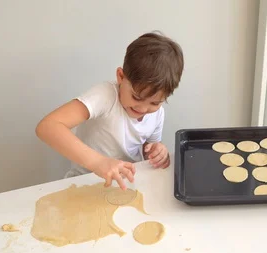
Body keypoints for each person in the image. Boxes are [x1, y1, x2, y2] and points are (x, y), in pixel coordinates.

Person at [35, 32, 184, 190]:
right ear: (121, 76)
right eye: (136, 97)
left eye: (154, 103)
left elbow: (148, 145)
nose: (143, 108)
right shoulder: (105, 96)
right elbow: (47, 127)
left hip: (127, 183)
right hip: (86, 182)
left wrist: (156, 152)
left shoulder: (157, 114)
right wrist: (99, 163)